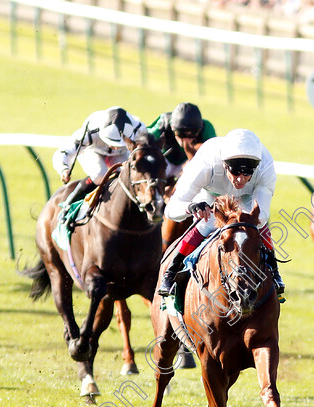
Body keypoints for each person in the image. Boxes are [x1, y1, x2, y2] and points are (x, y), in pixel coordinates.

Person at [157, 129, 284, 297]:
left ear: (256, 167)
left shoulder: (265, 166)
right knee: (206, 224)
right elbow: (171, 209)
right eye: (235, 171)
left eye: (247, 172)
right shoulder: (205, 164)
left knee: (257, 223)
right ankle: (170, 273)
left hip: (246, 197)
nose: (240, 179)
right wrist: (191, 206)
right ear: (224, 164)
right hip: (211, 194)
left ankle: (274, 272)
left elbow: (261, 216)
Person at [52, 106, 147, 215]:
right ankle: (69, 204)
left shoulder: (139, 129)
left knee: (128, 174)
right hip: (92, 151)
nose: (115, 147)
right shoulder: (90, 131)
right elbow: (64, 151)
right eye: (113, 144)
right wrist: (64, 169)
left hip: (121, 153)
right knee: (99, 174)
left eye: (119, 144)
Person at [146, 102, 217, 182]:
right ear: (172, 127)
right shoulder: (164, 122)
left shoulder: (206, 127)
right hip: (165, 160)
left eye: (193, 134)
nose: (186, 140)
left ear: (199, 129)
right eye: (181, 134)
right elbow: (144, 138)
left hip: (188, 162)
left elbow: (214, 153)